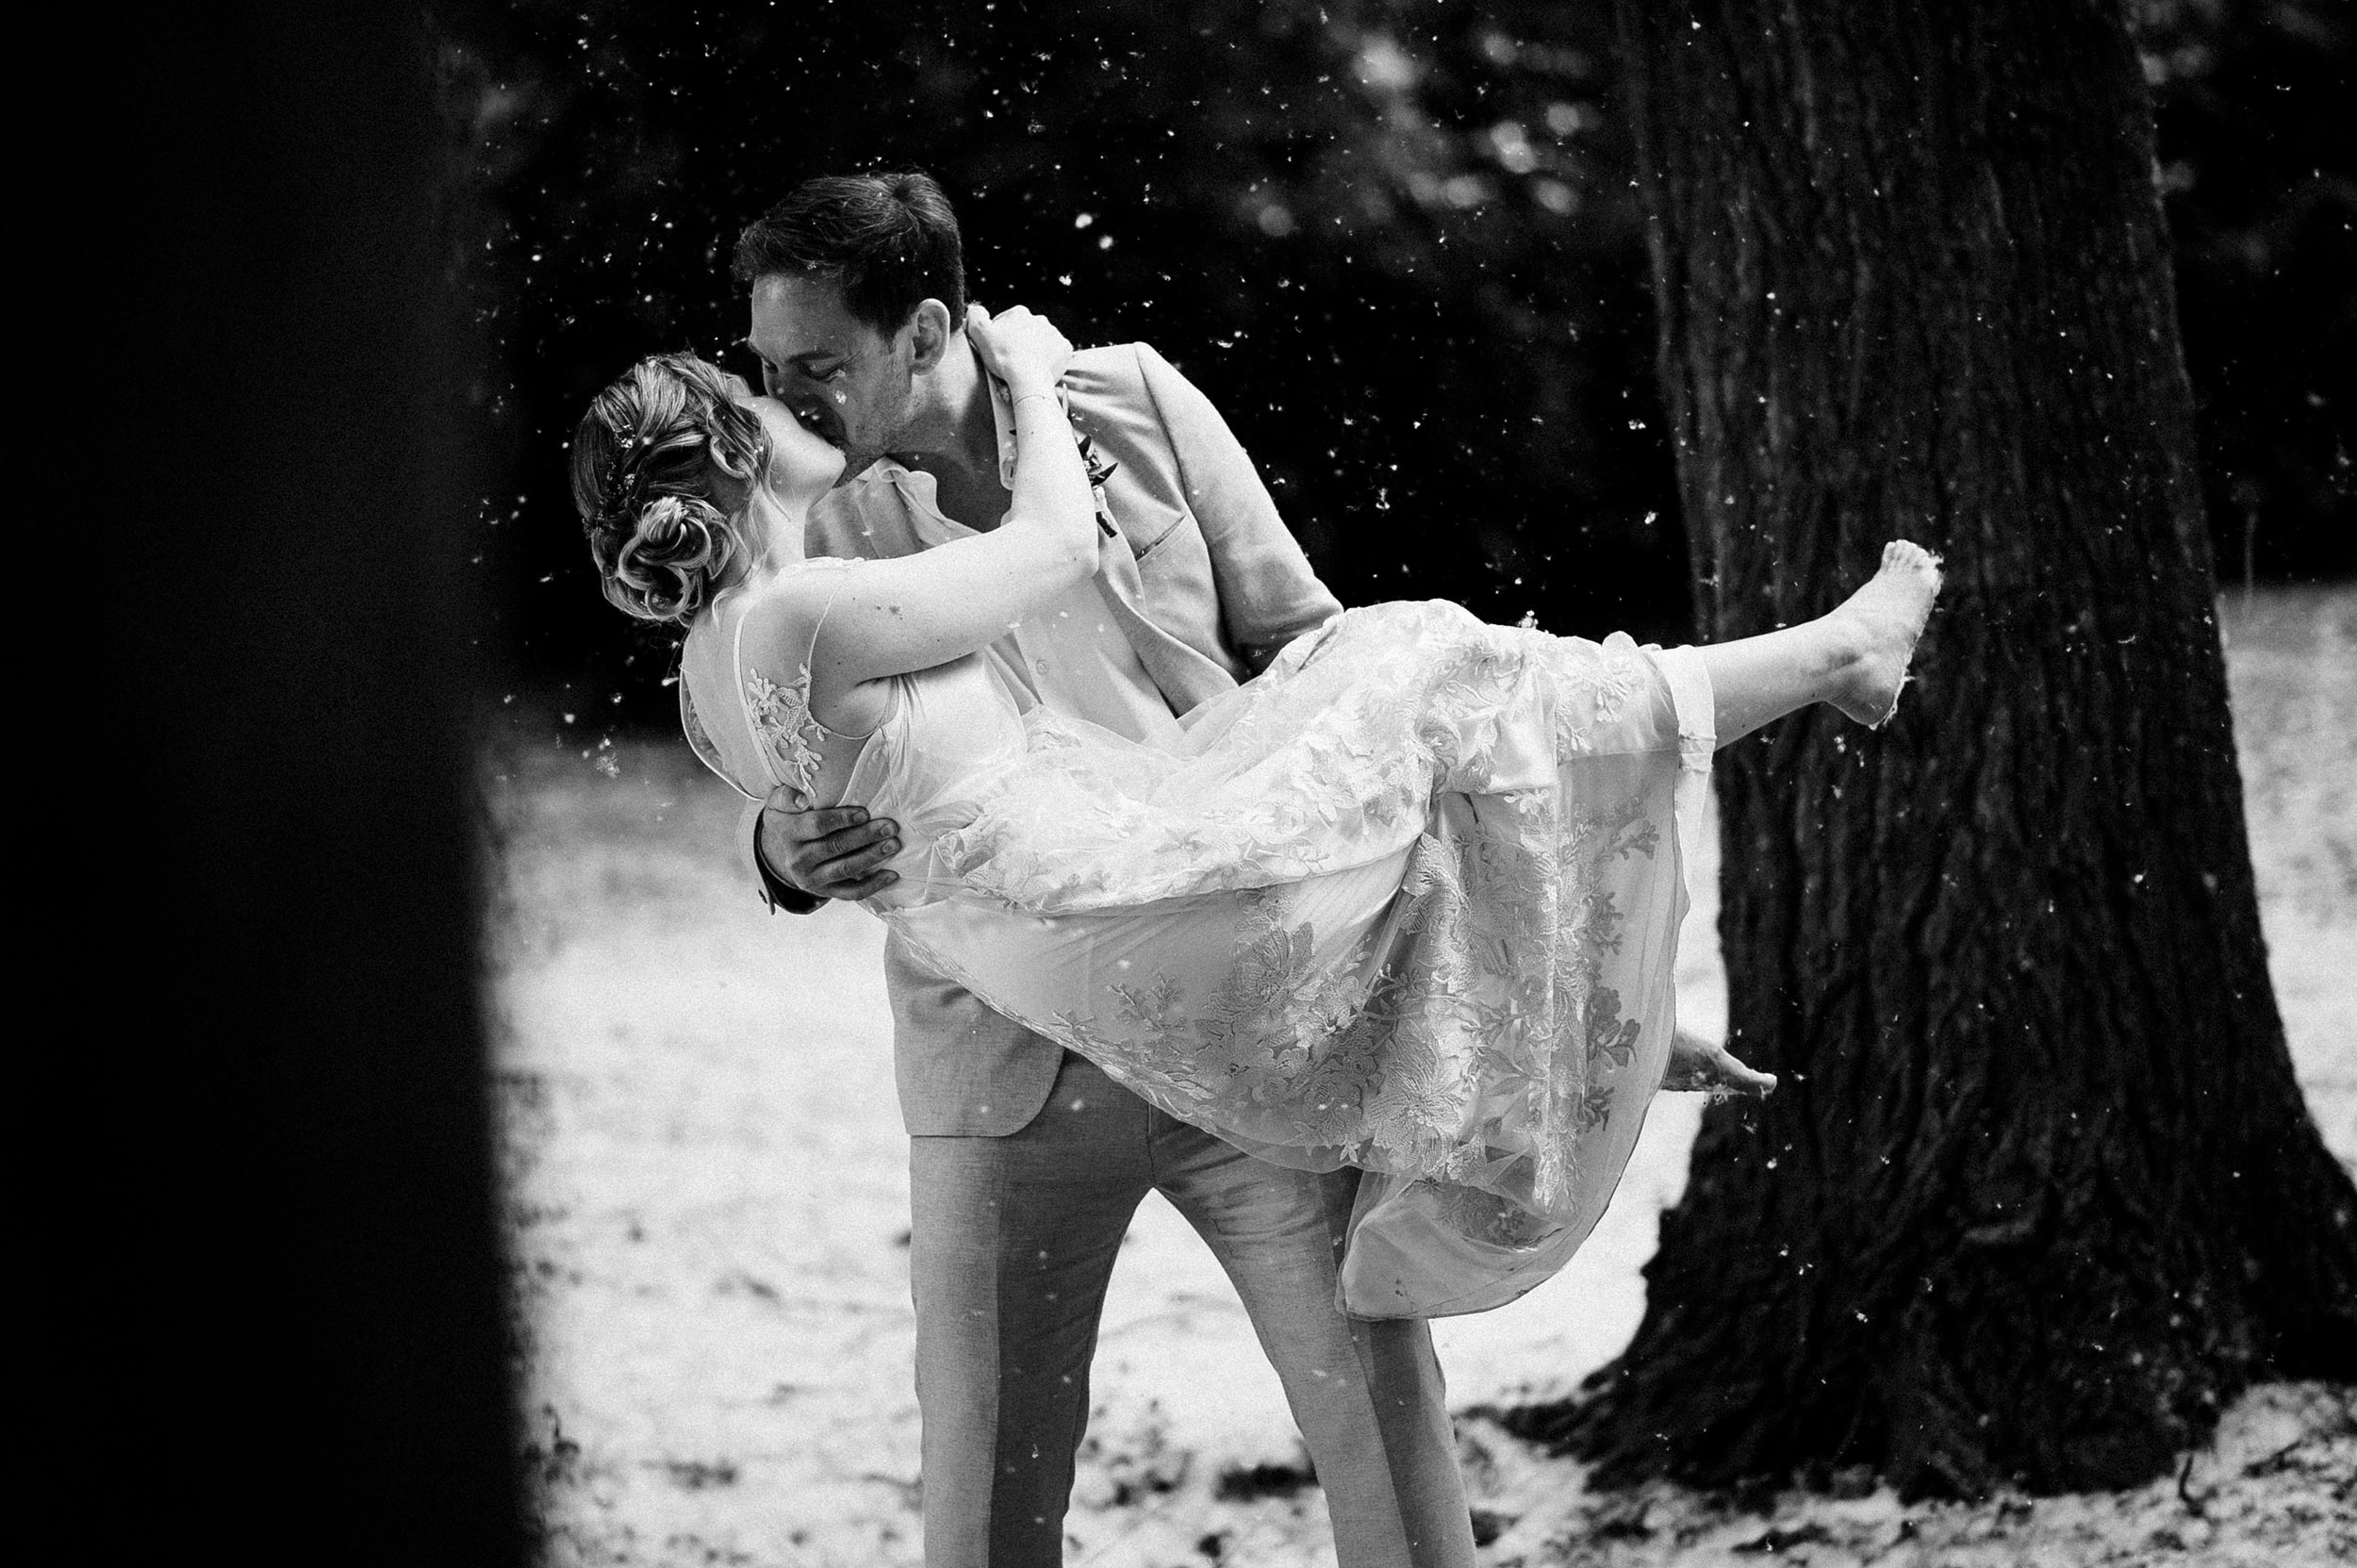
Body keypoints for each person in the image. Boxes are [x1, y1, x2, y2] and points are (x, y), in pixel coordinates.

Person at [576, 316, 1939, 1568]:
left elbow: (1301, 649)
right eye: (766, 373)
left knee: (1384, 1446)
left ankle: (1804, 679)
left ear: (919, 325)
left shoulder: (1130, 407)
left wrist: (1564, 984)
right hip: (1044, 1035)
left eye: (808, 355)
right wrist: (778, 854)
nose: (787, 385)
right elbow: (843, 741)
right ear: (739, 458)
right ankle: (1817, 661)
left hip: (1223, 970)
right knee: (987, 1488)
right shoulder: (834, 551)